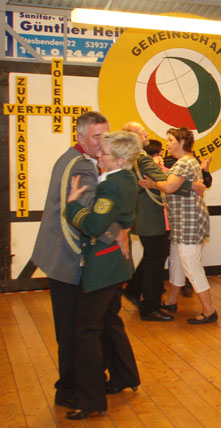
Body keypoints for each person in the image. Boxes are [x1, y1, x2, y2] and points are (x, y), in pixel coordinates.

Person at [31, 110, 127, 410]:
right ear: (81, 137)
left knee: (79, 327)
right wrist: (119, 233)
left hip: (59, 258)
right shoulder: (82, 167)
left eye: (105, 135)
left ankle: (89, 382)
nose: (102, 142)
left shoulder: (72, 158)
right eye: (96, 137)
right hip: (69, 261)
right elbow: (90, 217)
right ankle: (70, 390)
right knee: (74, 332)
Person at [64, 131, 143, 419]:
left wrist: (72, 204)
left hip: (103, 266)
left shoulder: (111, 185)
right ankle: (124, 376)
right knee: (110, 321)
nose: (98, 155)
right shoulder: (126, 178)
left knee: (86, 330)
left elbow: (94, 226)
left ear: (120, 160)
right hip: (116, 264)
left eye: (104, 153)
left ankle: (90, 400)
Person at [138, 127, 217, 324]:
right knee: (177, 262)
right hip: (182, 222)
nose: (167, 144)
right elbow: (175, 185)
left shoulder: (184, 162)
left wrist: (153, 184)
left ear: (182, 142)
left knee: (190, 265)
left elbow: (169, 186)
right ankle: (171, 300)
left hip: (188, 222)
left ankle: (209, 311)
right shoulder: (187, 161)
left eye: (171, 140)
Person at [121, 121, 196, 322]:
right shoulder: (143, 160)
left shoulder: (133, 158)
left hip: (145, 216)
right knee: (155, 262)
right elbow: (168, 183)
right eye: (142, 133)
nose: (146, 134)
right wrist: (192, 185)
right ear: (132, 137)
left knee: (152, 257)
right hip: (152, 218)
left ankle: (134, 289)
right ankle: (150, 307)